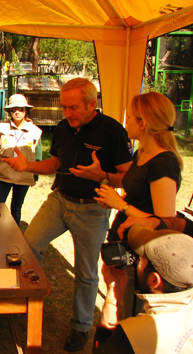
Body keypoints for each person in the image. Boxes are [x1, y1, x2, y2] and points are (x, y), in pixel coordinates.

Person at [3, 78, 133, 352]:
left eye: (73, 108)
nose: (67, 113)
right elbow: (56, 162)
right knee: (29, 244)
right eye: (64, 107)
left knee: (86, 273)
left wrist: (103, 176)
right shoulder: (63, 127)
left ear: (92, 104)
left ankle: (81, 326)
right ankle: (29, 301)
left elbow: (129, 177)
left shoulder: (112, 131)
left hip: (92, 208)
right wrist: (28, 166)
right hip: (60, 199)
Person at [94, 92, 182, 318]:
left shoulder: (164, 163)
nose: (126, 123)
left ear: (143, 123)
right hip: (123, 246)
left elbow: (163, 223)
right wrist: (109, 190)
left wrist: (121, 205)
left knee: (127, 317)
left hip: (141, 256)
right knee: (114, 307)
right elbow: (134, 189)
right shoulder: (141, 154)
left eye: (130, 118)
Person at [93, 225, 193, 353]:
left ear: (154, 281)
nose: (134, 263)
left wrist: (114, 293)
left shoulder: (136, 335)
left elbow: (100, 350)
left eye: (139, 259)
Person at [0, 94, 42, 225]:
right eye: (13, 109)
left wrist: (34, 176)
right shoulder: (2, 128)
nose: (17, 112)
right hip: (2, 174)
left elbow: (38, 156)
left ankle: (14, 235)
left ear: (26, 111)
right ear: (9, 112)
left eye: (21, 109)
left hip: (23, 176)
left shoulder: (35, 131)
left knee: (16, 208)